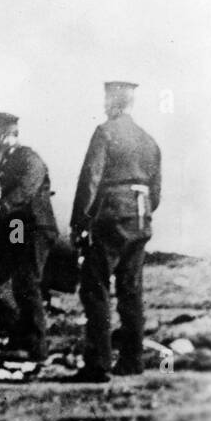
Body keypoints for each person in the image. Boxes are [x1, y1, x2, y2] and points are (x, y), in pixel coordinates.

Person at [69, 81, 162, 381]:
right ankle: (133, 361)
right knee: (131, 291)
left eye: (107, 99)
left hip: (110, 217)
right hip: (141, 218)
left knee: (95, 287)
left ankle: (98, 364)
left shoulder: (105, 132)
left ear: (113, 102)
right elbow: (156, 192)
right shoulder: (149, 140)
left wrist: (80, 222)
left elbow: (91, 179)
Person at [0, 111, 58, 360]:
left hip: (34, 226)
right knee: (6, 277)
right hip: (17, 227)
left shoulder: (28, 158)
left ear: (5, 134)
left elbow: (27, 188)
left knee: (27, 282)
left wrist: (1, 207)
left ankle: (37, 347)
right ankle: (21, 335)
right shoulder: (1, 160)